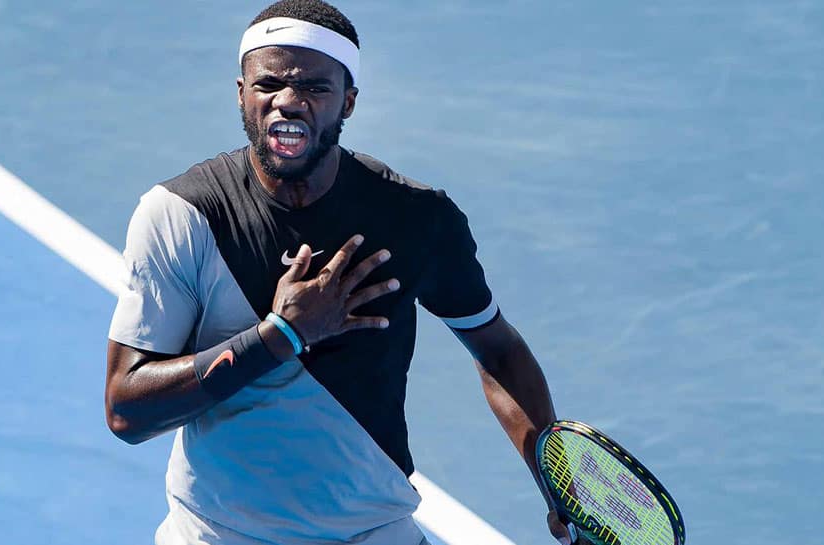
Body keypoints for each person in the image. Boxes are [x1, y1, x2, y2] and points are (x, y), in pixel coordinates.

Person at [105, 1, 576, 543]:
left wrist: (557, 481)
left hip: (372, 530)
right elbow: (127, 409)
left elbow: (497, 349)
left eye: (314, 88)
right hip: (215, 532)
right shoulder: (180, 215)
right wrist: (280, 336)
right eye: (268, 85)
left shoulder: (417, 220)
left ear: (348, 102)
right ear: (241, 94)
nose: (287, 101)